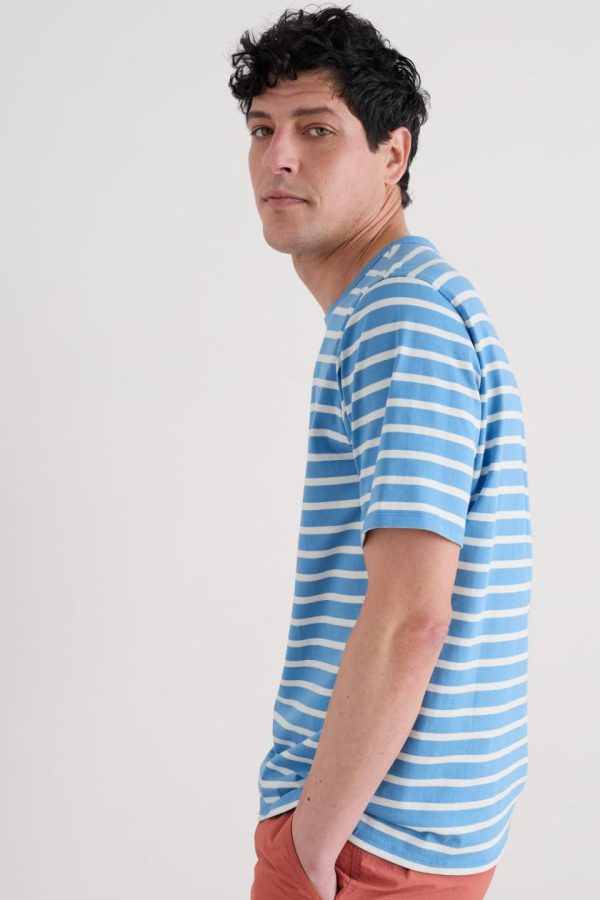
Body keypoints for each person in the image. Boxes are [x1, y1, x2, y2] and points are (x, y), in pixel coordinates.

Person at [228, 5, 531, 898]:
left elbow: (412, 614)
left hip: (368, 838)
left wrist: (311, 843)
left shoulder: (401, 316)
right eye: (262, 129)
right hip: (400, 829)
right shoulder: (403, 302)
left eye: (316, 129)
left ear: (393, 155)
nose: (279, 158)